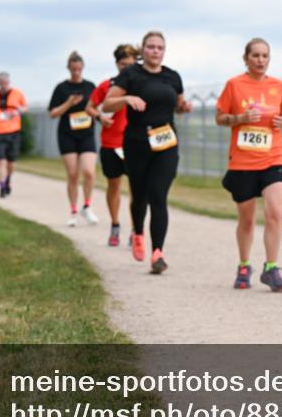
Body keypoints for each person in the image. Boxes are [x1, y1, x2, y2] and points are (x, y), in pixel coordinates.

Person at [102, 31, 192, 273]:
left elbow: (178, 105)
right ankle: (138, 232)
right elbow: (107, 104)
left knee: (158, 196)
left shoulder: (172, 77)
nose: (155, 51)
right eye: (150, 47)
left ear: (164, 51)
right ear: (143, 51)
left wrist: (184, 108)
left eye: (159, 47)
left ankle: (157, 253)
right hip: (137, 142)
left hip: (166, 142)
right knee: (139, 195)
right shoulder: (131, 74)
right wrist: (127, 98)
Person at [215, 38, 282, 292]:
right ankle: (244, 265)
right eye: (255, 55)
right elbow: (220, 118)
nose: (260, 60)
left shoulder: (277, 85)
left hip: (273, 156)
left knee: (274, 212)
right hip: (243, 161)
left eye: (265, 56)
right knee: (247, 220)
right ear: (246, 58)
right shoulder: (234, 85)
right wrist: (241, 118)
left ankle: (271, 268)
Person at [86, 44, 137, 245]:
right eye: (123, 64)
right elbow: (89, 107)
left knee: (136, 189)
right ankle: (115, 225)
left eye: (130, 65)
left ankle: (136, 230)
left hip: (134, 143)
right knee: (113, 185)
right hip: (111, 143)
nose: (126, 68)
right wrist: (100, 117)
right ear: (117, 64)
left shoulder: (140, 84)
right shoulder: (106, 86)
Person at [48, 51, 98, 226]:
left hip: (87, 134)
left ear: (82, 68)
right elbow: (52, 113)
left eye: (78, 69)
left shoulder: (90, 86)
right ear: (69, 68)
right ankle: (73, 211)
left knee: (89, 172)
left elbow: (98, 107)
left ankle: (87, 206)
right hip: (67, 134)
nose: (76, 72)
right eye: (73, 69)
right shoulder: (61, 88)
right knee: (73, 174)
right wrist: (69, 103)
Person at [0, 72, 28, 198]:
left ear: (8, 82)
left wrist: (17, 112)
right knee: (1, 161)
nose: (3, 85)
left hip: (13, 131)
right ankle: (2, 186)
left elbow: (25, 107)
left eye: (5, 82)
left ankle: (8, 179)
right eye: (1, 83)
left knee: (11, 163)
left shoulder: (17, 94)